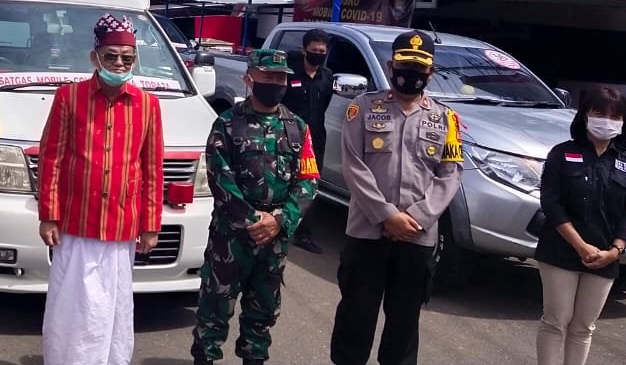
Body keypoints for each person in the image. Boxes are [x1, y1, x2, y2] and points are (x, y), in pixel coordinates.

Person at [329, 30, 463, 365]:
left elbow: (450, 175)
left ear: (431, 72)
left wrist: (416, 218)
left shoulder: (447, 119)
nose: (411, 74)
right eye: (405, 65)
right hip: (367, 232)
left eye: (419, 68)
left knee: (404, 324)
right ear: (391, 66)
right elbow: (353, 166)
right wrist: (387, 215)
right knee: (355, 317)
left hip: (417, 237)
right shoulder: (362, 108)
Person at [38, 13, 165, 365]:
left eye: (127, 58)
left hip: (121, 229)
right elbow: (51, 159)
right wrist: (48, 216)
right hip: (75, 225)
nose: (119, 64)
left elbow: (153, 169)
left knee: (113, 307)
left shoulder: (148, 105)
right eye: (111, 57)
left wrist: (151, 225)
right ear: (94, 57)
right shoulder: (69, 97)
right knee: (72, 307)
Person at [191, 49, 320, 365]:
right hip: (231, 237)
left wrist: (279, 220)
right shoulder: (227, 123)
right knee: (214, 310)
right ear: (249, 79)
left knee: (262, 314)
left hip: (274, 239)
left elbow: (308, 181)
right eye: (268, 76)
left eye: (281, 78)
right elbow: (219, 177)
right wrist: (251, 219)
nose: (275, 83)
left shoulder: (297, 127)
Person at [535, 86, 626, 365]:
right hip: (560, 252)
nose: (607, 121)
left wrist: (615, 251)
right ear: (585, 115)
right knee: (555, 321)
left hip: (605, 257)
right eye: (599, 113)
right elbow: (551, 203)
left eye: (615, 116)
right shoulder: (562, 154)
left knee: (584, 327)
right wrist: (580, 246)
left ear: (623, 121)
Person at [282, 28, 334, 254]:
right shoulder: (289, 74)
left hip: (315, 142)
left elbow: (323, 106)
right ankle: (280, 226)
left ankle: (304, 234)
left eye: (322, 52)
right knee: (284, 183)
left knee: (309, 186)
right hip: (287, 138)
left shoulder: (327, 77)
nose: (318, 55)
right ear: (304, 50)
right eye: (314, 50)